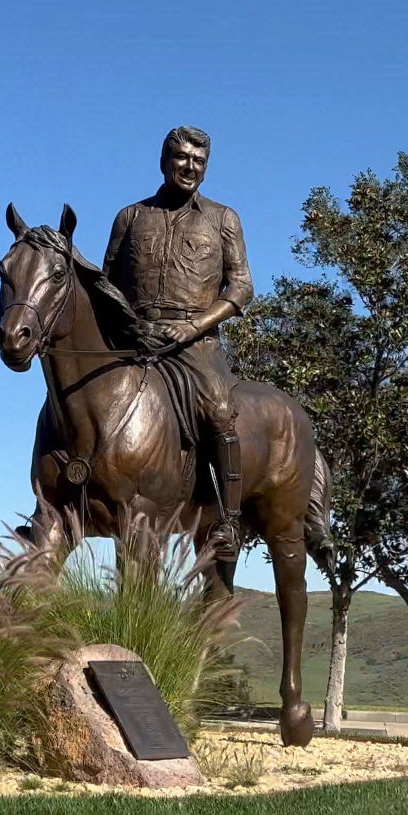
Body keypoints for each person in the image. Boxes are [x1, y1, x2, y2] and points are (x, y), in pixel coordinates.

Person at [102, 126, 252, 557]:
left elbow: (241, 287)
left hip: (196, 342)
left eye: (198, 161)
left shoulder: (224, 219)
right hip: (136, 338)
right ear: (164, 161)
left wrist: (196, 325)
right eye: (182, 158)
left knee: (220, 411)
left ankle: (227, 521)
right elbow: (108, 284)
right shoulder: (130, 217)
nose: (190, 167)